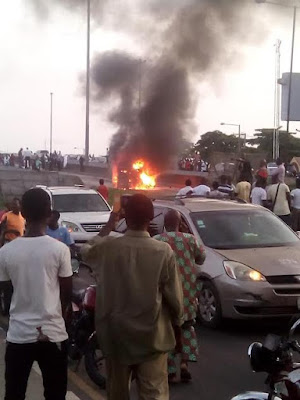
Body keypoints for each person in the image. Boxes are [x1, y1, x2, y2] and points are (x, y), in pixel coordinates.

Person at [82, 194, 184, 400]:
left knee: (117, 393)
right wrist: (178, 327)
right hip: (152, 339)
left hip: (116, 338)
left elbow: (86, 250)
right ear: (151, 219)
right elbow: (175, 300)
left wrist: (110, 224)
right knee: (154, 394)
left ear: (124, 218)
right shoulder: (163, 251)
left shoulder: (107, 248)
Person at [0, 188, 72, 400]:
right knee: (55, 393)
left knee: (14, 393)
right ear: (49, 213)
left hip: (19, 334)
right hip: (53, 333)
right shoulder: (60, 250)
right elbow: (66, 295)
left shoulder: (6, 252)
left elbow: (7, 292)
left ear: (22, 213)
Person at [154, 210, 205, 383]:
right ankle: (184, 364)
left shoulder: (157, 240)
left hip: (165, 294)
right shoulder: (190, 240)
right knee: (187, 327)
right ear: (180, 222)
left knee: (166, 329)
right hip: (187, 292)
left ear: (164, 222)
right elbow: (201, 259)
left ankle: (169, 368)